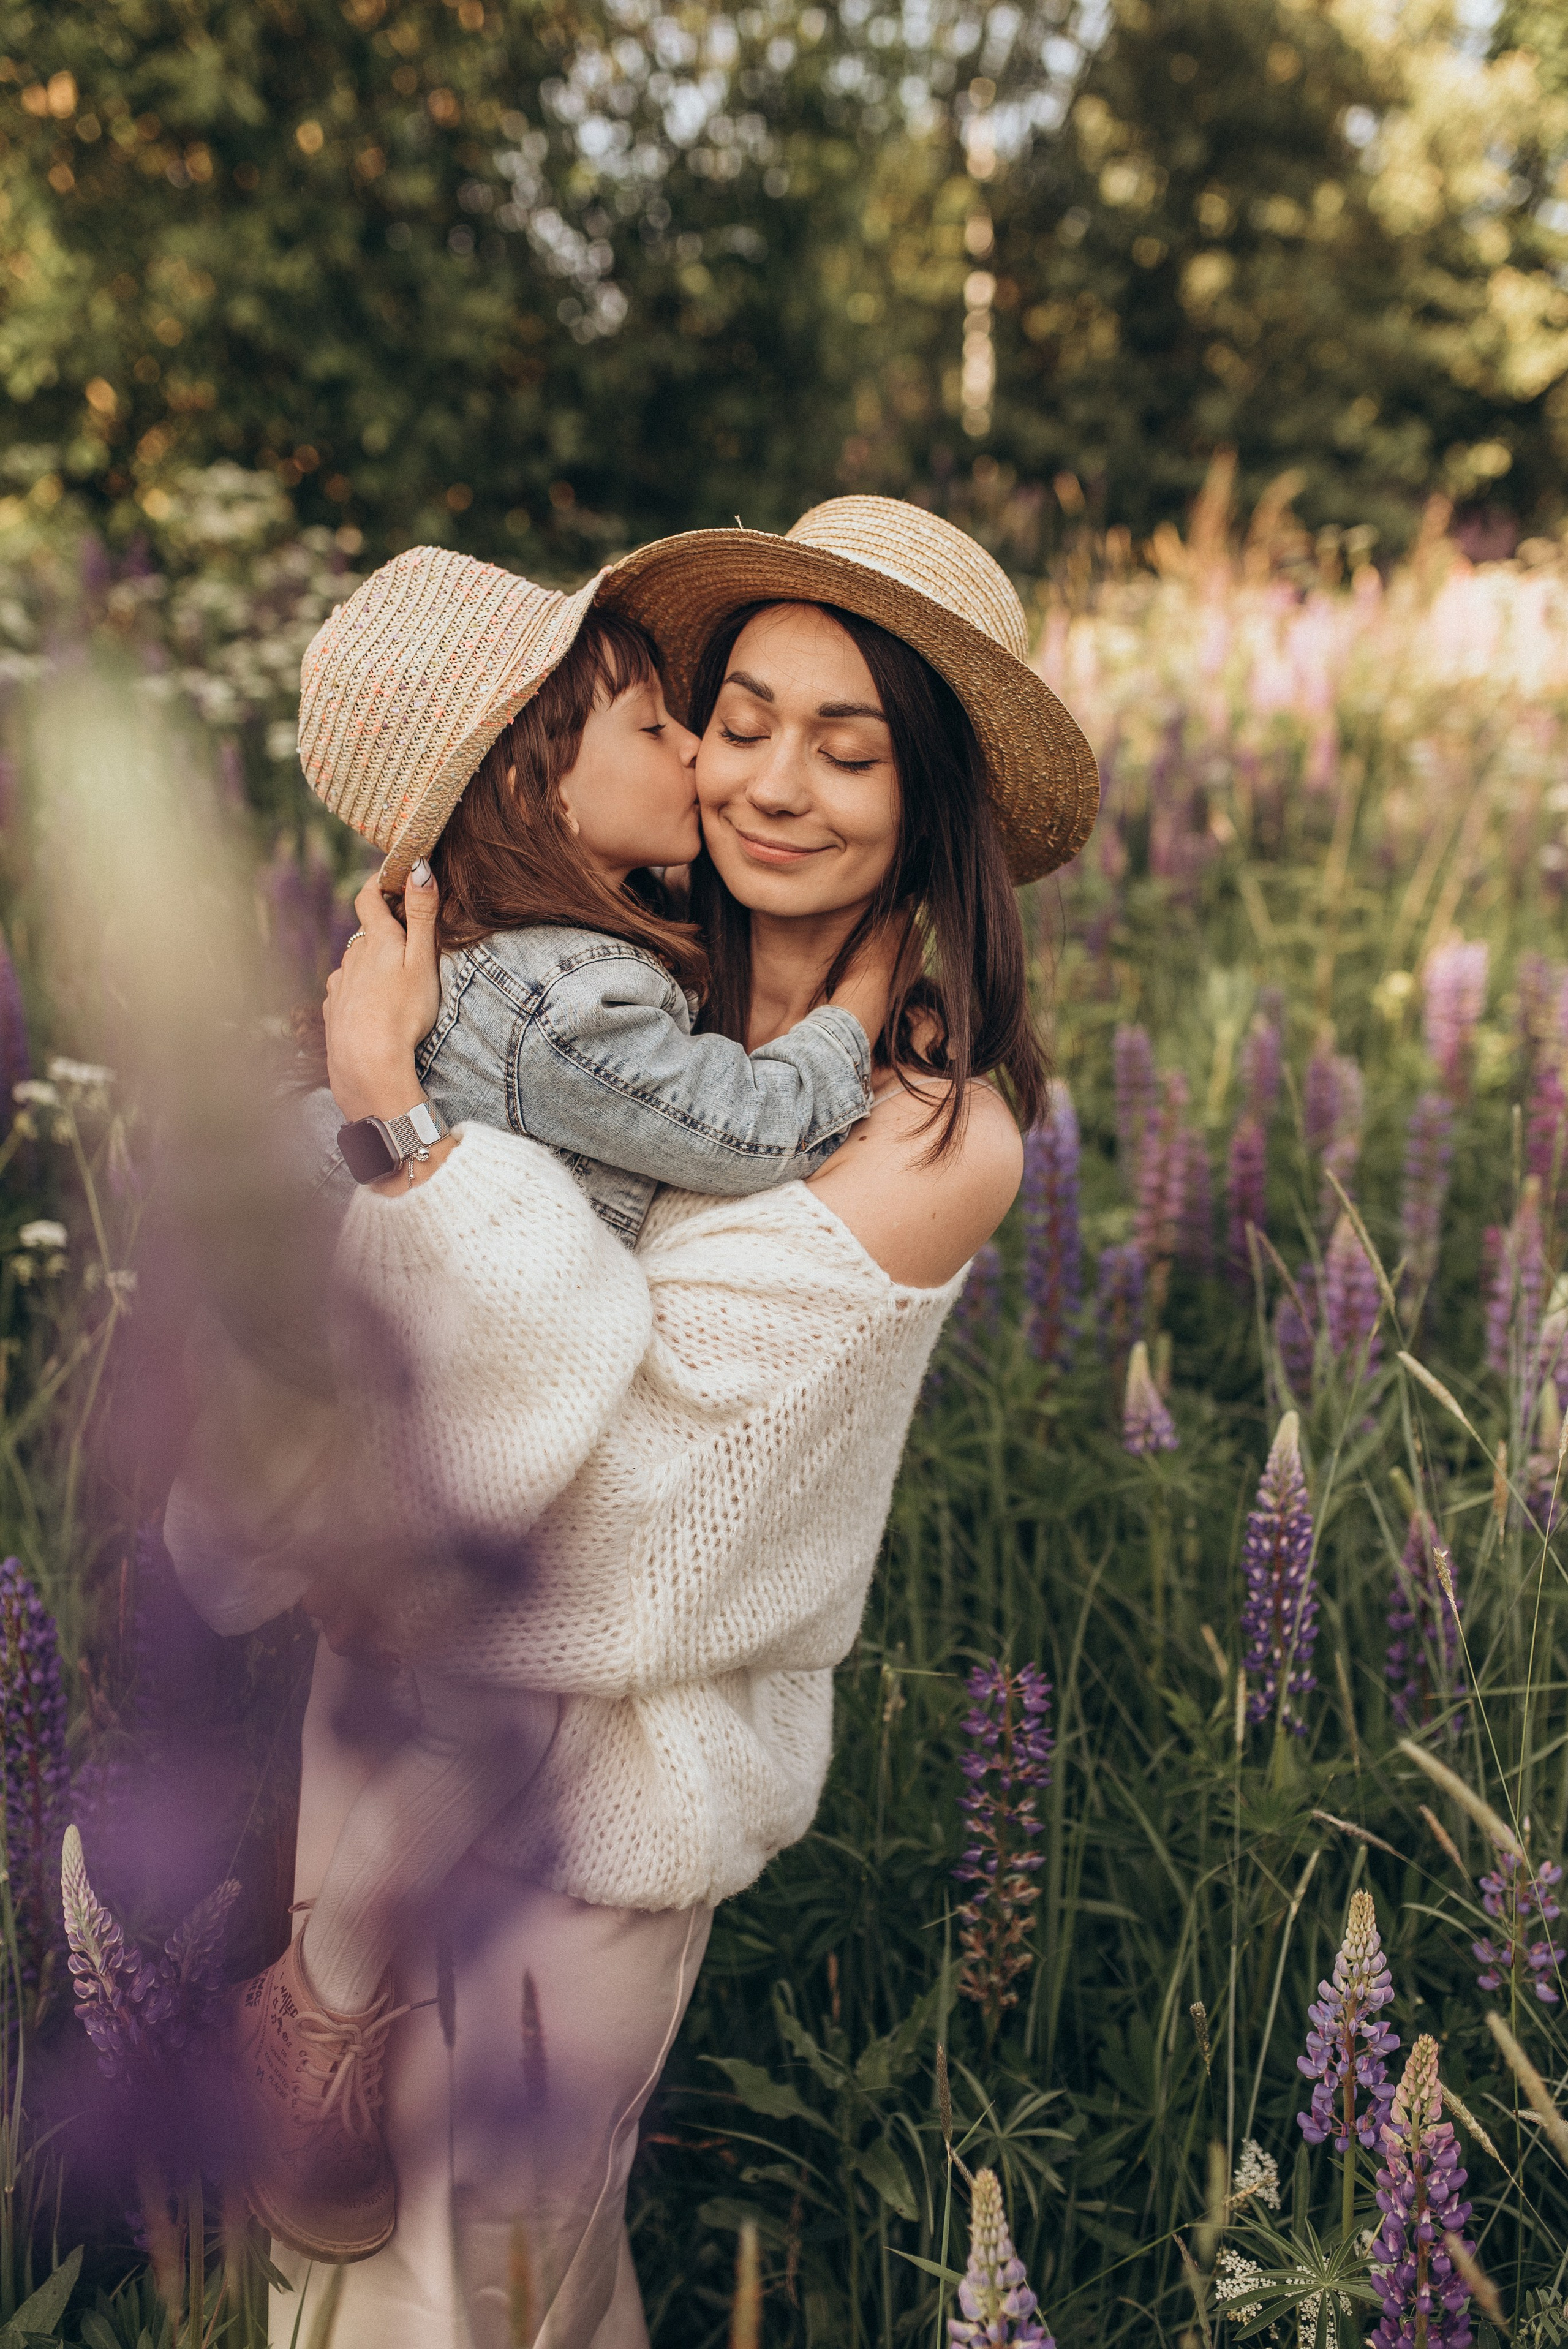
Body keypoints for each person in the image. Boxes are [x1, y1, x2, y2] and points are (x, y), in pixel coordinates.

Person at [187, 494, 1097, 2347]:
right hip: (384, 1724)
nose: (768, 780)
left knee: (478, 2292)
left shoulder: (934, 1131)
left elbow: (604, 1536)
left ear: (929, 801)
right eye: (736, 720)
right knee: (335, 2275)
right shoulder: (610, 978)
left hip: (592, 1802)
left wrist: (402, 1139)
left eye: (848, 749)